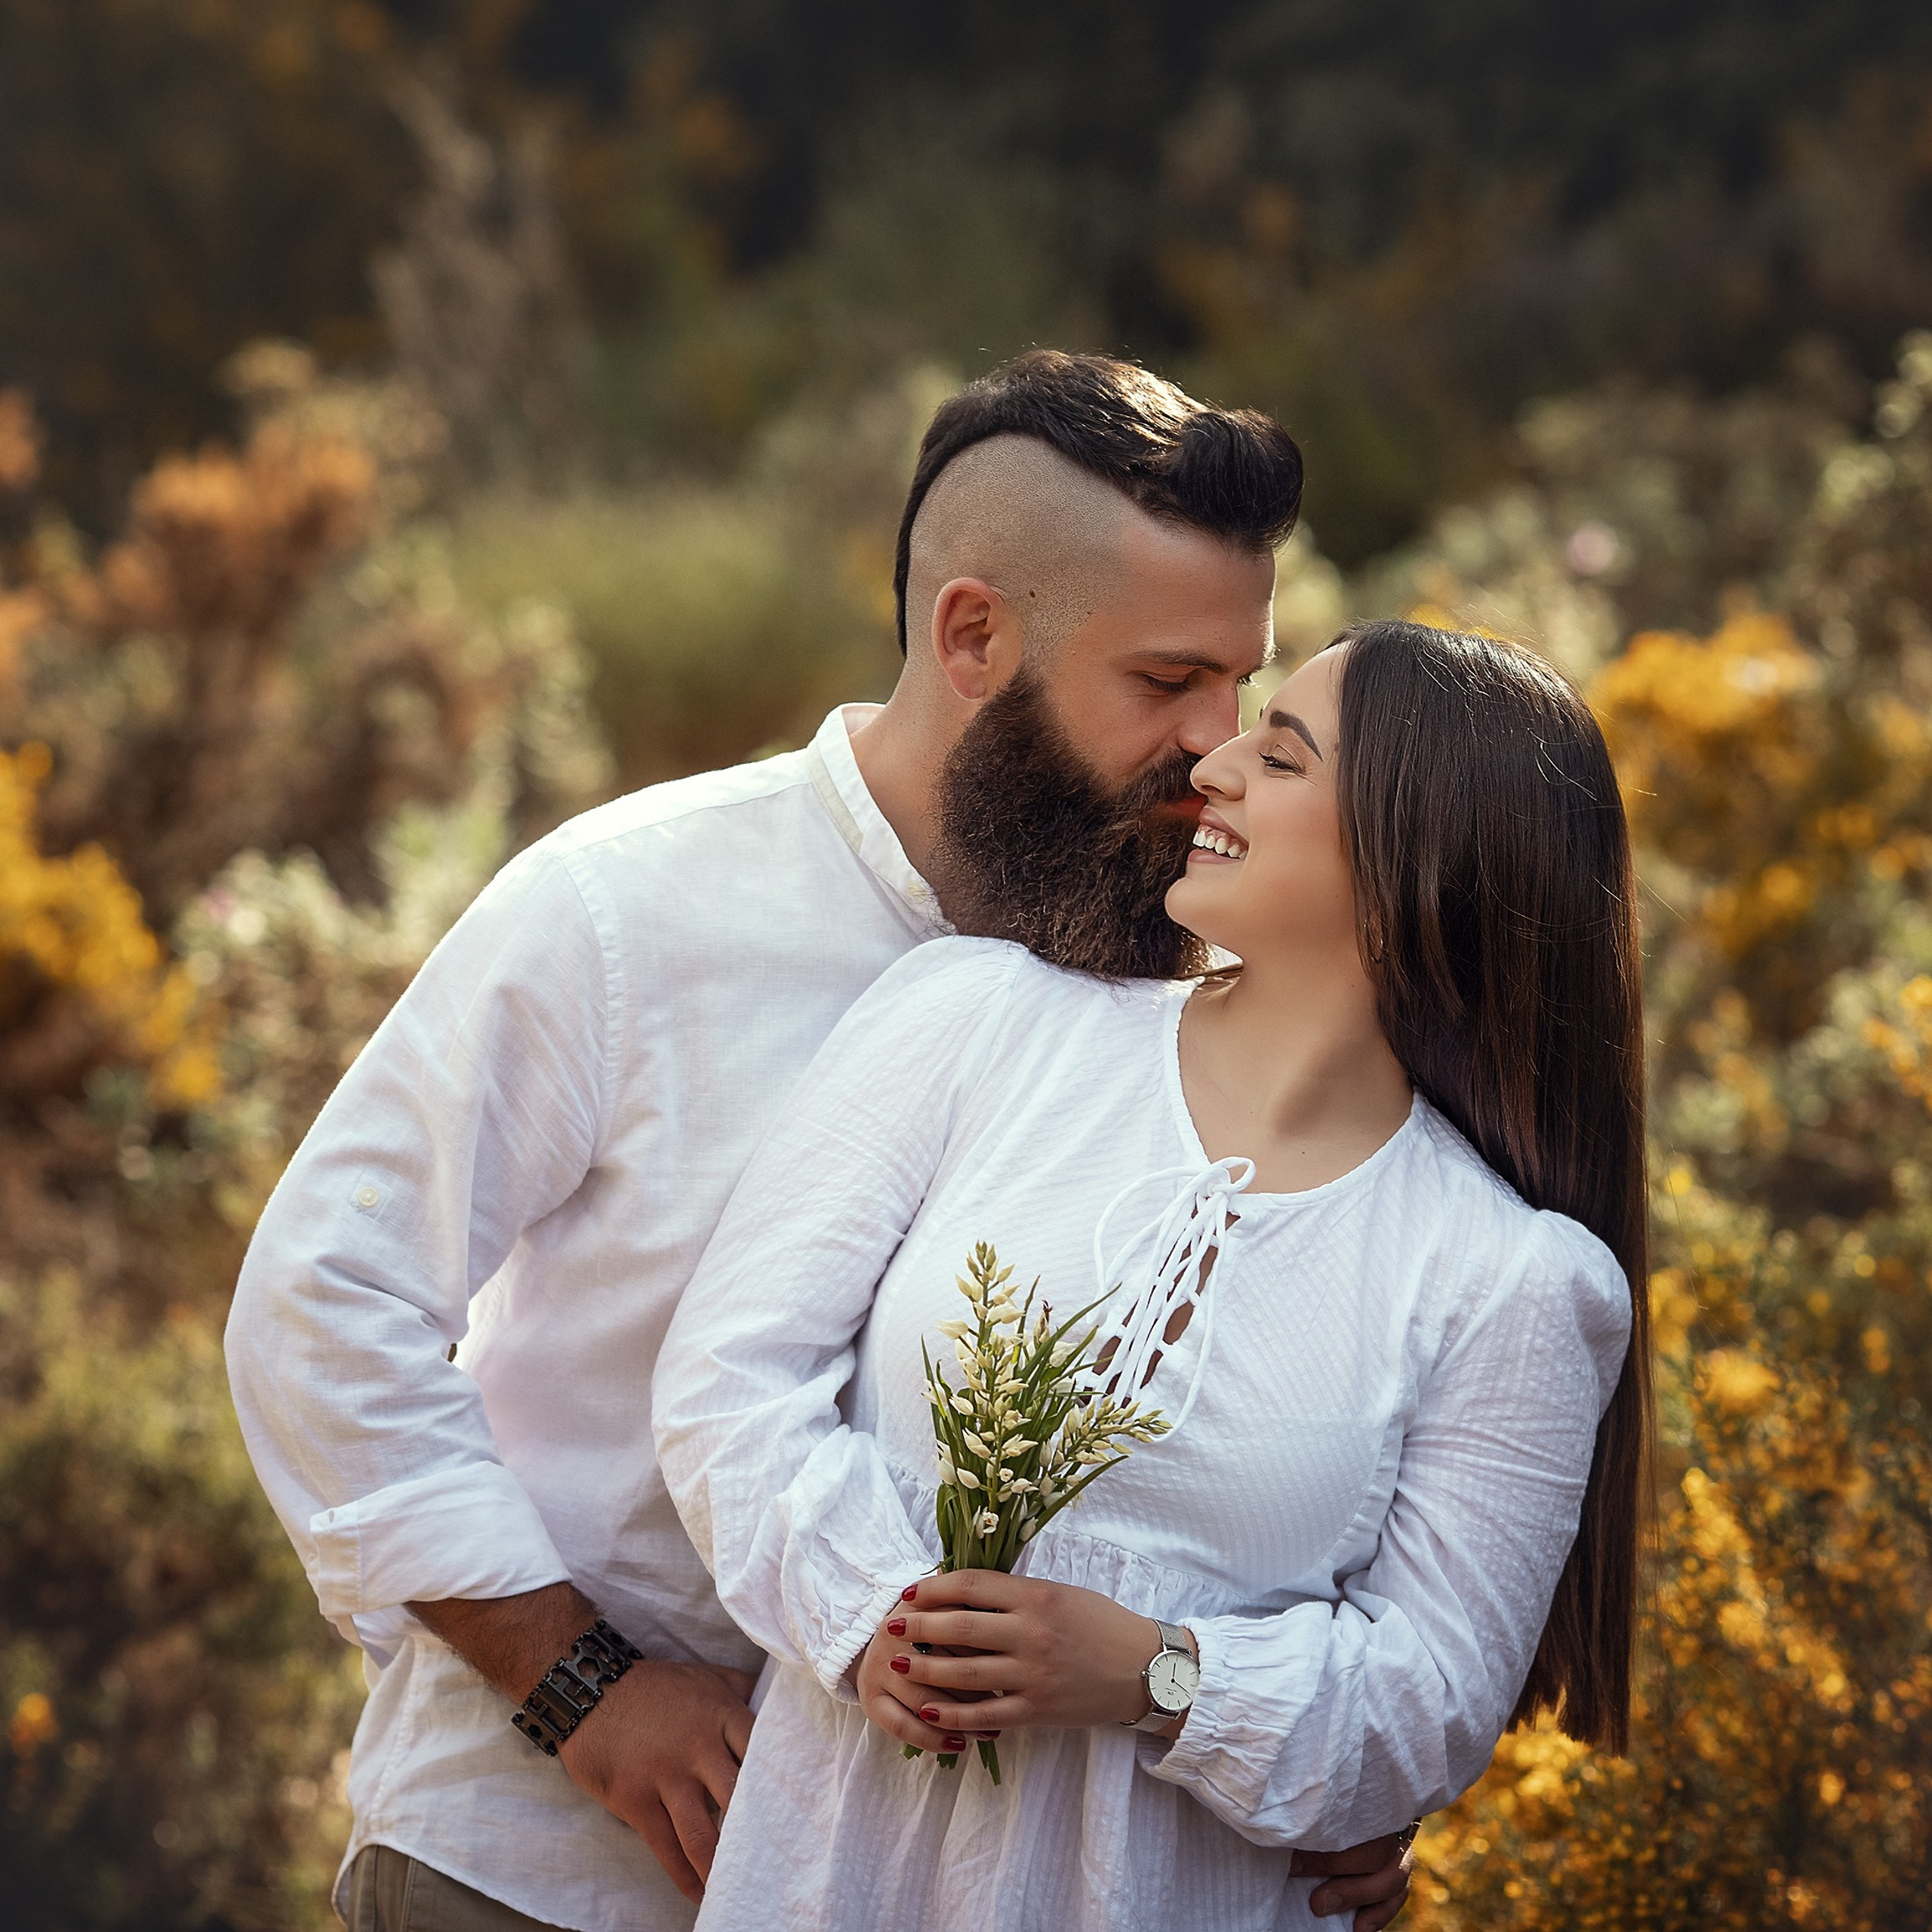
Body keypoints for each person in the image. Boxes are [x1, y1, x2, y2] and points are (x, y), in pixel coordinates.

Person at [225, 351, 1416, 1932]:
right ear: (972, 634)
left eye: (1241, 686)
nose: (1212, 746)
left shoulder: (1195, 978)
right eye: (1162, 681)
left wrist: (1306, 1763)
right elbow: (323, 1306)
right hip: (539, 1870)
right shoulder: (625, 908)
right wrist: (584, 1689)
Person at [653, 618, 1651, 1930]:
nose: (1217, 765)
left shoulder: (1512, 1279)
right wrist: (870, 1615)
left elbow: (1430, 1704)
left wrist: (1156, 1677)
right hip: (834, 1873)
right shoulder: (978, 1023)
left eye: (1282, 757)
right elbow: (730, 1376)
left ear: (1422, 854)